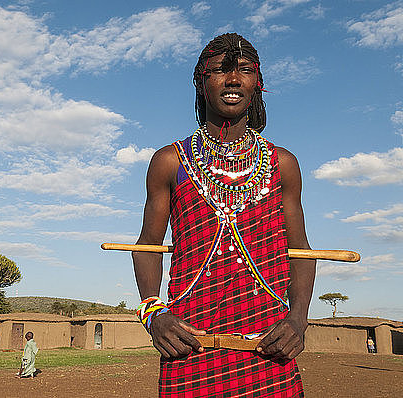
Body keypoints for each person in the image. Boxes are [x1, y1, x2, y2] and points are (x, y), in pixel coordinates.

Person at [132, 33, 316, 397]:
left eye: (244, 70)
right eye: (219, 70)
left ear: (256, 83)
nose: (233, 79)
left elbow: (302, 252)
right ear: (202, 82)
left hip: (270, 348)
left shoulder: (283, 164)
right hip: (188, 346)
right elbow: (147, 246)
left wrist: (298, 319)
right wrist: (153, 314)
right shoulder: (169, 162)